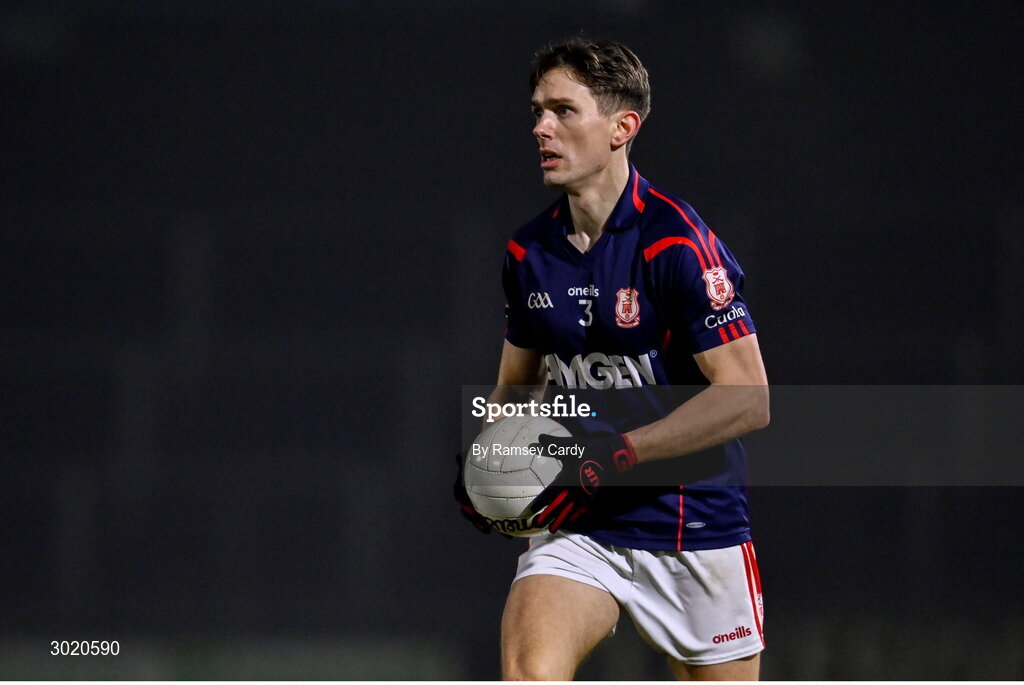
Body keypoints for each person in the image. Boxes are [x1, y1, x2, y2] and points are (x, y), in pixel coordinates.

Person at [457, 38, 769, 681]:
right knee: (529, 675)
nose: (541, 127)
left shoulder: (678, 243)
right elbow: (515, 389)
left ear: (623, 127)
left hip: (695, 524)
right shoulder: (528, 252)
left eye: (564, 111)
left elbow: (747, 397)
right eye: (538, 110)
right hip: (582, 525)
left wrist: (620, 453)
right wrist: (493, 469)